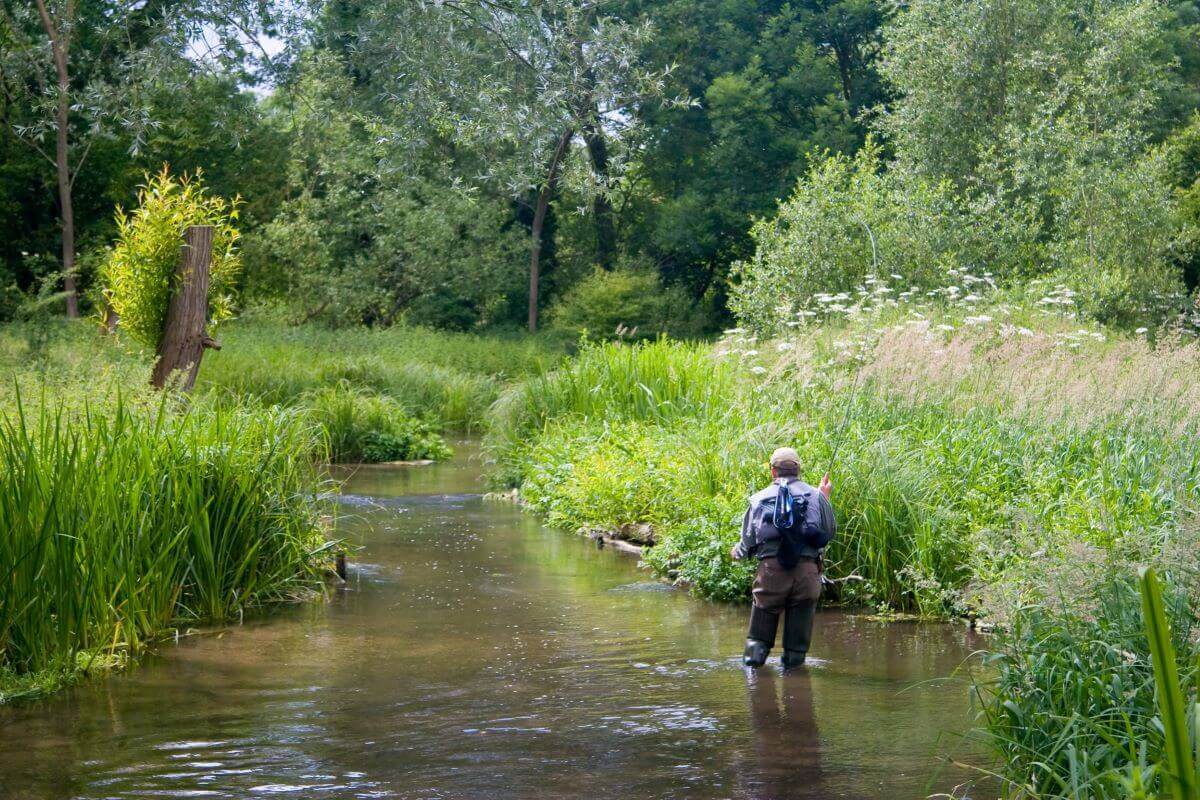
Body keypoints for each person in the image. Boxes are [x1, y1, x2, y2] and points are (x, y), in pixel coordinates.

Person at [731, 447, 835, 669]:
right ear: (798, 470)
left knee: (756, 646)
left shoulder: (758, 499)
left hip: (771, 573)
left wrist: (737, 552)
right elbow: (829, 533)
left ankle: (755, 687)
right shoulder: (817, 497)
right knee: (796, 654)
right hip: (808, 574)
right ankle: (796, 689)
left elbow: (748, 541)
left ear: (773, 472)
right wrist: (825, 499)